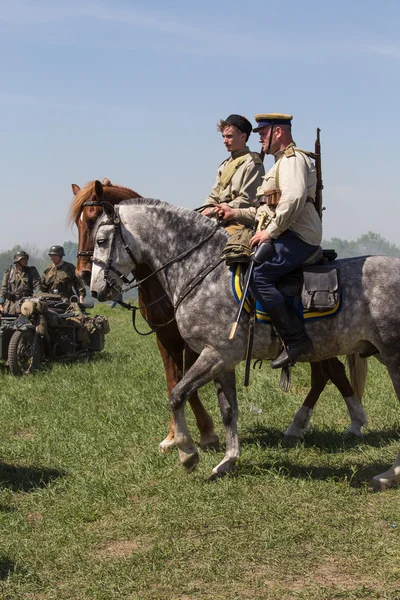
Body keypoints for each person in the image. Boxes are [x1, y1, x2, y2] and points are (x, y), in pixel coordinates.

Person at [215, 113, 322, 368]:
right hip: (283, 231)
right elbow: (265, 210)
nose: (260, 137)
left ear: (278, 132)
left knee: (259, 275)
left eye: (263, 132)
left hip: (298, 236)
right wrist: (235, 213)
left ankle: (296, 340)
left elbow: (293, 200)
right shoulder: (277, 165)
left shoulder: (293, 161)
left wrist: (270, 232)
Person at [202, 114, 265, 264]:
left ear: (243, 136)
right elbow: (214, 194)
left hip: (239, 222)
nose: (225, 141)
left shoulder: (252, 163)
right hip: (218, 218)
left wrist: (214, 211)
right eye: (223, 137)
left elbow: (246, 200)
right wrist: (204, 210)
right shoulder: (225, 165)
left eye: (229, 136)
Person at [0, 250, 42, 314]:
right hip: (10, 306)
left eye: (26, 259)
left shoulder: (31, 271)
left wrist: (37, 298)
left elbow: (37, 286)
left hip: (26, 304)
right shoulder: (9, 273)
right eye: (23, 259)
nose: (26, 261)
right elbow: (4, 289)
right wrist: (1, 303)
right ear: (17, 261)